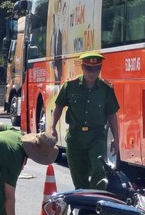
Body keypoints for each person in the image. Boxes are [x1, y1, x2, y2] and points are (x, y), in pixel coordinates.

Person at [51, 52, 120, 189]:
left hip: (97, 136)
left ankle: (95, 202)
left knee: (98, 171)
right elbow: (58, 106)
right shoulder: (70, 86)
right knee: (78, 175)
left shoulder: (106, 89)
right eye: (89, 69)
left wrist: (116, 139)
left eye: (96, 69)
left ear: (100, 69)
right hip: (75, 137)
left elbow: (112, 115)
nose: (92, 73)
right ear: (82, 67)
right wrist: (52, 128)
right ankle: (83, 204)